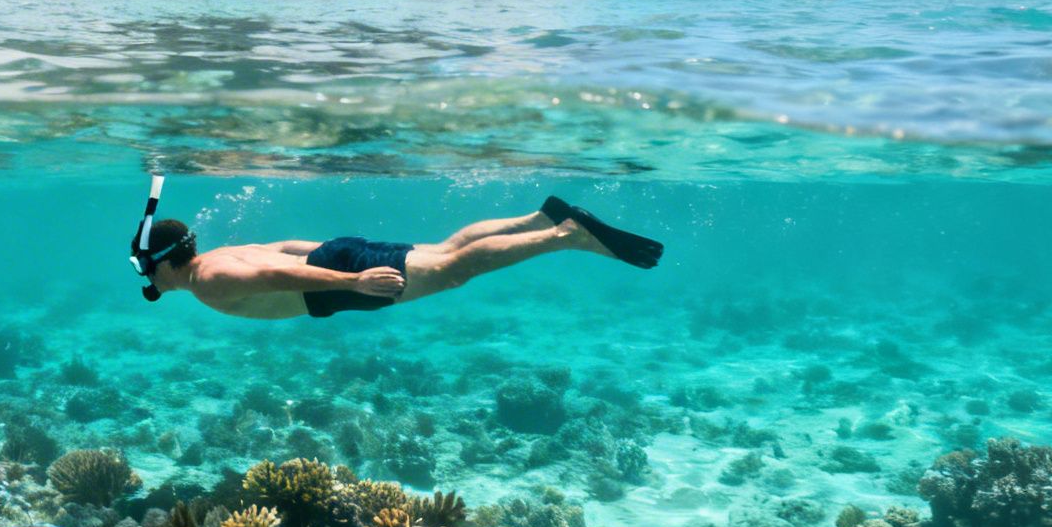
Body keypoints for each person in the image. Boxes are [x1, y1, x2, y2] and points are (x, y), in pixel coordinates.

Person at [129, 195, 661, 320]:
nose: (144, 276)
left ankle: (563, 235)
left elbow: (278, 270)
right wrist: (343, 255)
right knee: (448, 250)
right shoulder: (219, 256)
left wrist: (353, 281)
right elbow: (283, 247)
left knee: (454, 271)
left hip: (334, 277)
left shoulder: (207, 281)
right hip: (332, 255)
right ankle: (539, 218)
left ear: (163, 261)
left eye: (142, 266)